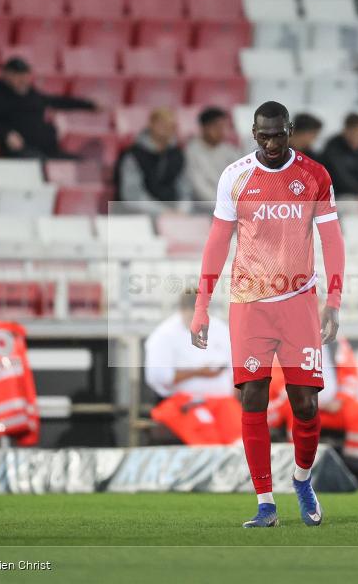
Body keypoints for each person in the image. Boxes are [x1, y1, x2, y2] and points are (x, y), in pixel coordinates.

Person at [189, 101, 345, 528]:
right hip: (249, 303)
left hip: (298, 302)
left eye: (279, 135)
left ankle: (301, 479)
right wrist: (201, 306)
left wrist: (333, 301)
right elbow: (217, 242)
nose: (272, 143)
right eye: (264, 135)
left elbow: (332, 240)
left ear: (289, 131)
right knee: (253, 396)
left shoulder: (315, 175)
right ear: (253, 134)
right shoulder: (235, 176)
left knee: (307, 406)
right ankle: (264, 502)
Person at [267, 335, 358, 477]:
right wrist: (305, 399)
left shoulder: (337, 342)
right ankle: (296, 465)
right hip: (295, 403)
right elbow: (278, 378)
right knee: (294, 409)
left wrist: (340, 399)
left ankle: (354, 468)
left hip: (333, 407)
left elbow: (351, 375)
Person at [145, 289, 240, 445]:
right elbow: (158, 377)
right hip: (185, 402)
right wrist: (198, 373)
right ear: (182, 311)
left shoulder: (220, 329)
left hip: (223, 401)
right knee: (207, 431)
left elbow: (235, 367)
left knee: (240, 434)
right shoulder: (164, 335)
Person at [0, 57, 97, 158]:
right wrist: (6, 134)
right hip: (21, 152)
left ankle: (88, 190)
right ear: (7, 75)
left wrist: (89, 105)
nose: (22, 79)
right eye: (17, 75)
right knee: (39, 162)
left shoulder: (32, 94)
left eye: (25, 75)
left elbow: (58, 101)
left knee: (85, 166)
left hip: (48, 150)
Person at [114, 107, 191, 214]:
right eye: (162, 124)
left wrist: (182, 210)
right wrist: (163, 211)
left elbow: (185, 190)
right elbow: (132, 196)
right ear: (151, 124)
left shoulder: (178, 154)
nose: (166, 129)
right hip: (139, 215)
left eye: (171, 126)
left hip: (174, 215)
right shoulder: (133, 155)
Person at [184, 107, 239, 206]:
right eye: (218, 127)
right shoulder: (191, 151)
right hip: (203, 205)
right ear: (205, 127)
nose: (222, 131)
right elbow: (199, 188)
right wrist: (223, 205)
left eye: (224, 127)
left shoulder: (229, 150)